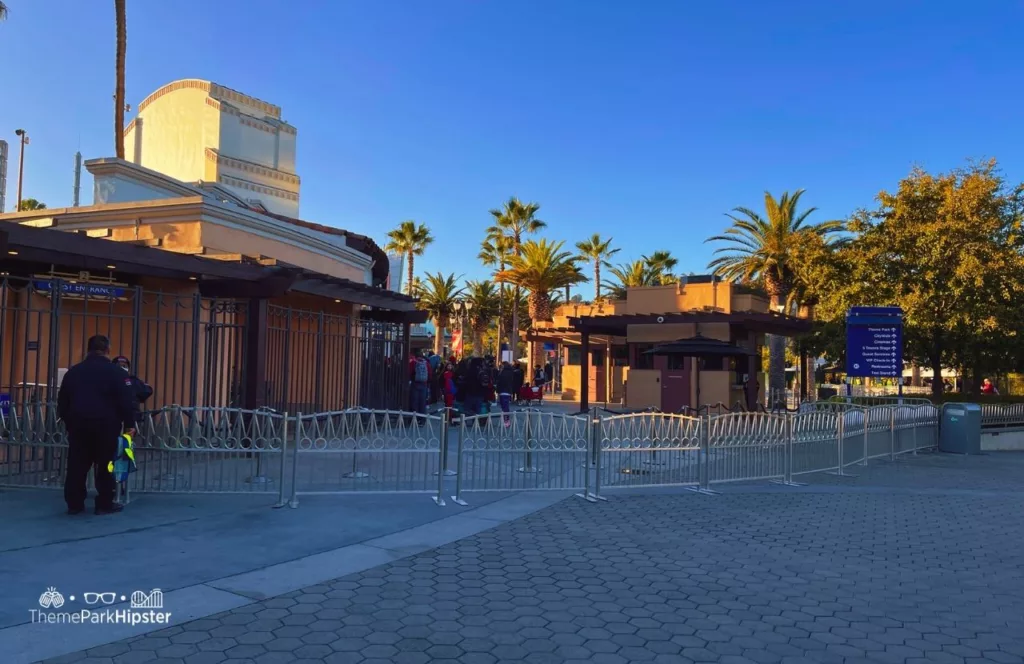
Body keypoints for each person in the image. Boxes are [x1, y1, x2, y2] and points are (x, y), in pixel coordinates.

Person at [58, 335, 137, 516]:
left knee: (77, 465)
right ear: (108, 350)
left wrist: (69, 421)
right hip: (106, 426)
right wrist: (129, 425)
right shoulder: (117, 373)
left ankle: (74, 504)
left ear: (88, 349)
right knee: (106, 465)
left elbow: (62, 401)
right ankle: (104, 503)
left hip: (79, 425)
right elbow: (126, 402)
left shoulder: (74, 372)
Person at [112, 355, 153, 424]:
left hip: (131, 419)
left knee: (127, 434)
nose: (122, 368)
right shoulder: (108, 380)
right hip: (113, 418)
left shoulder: (133, 381)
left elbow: (147, 390)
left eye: (124, 366)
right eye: (119, 365)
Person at [409, 350, 430, 414]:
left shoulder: (413, 362)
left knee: (414, 401)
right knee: (422, 401)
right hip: (424, 383)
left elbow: (409, 371)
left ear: (415, 356)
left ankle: (415, 417)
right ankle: (422, 417)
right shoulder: (426, 363)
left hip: (415, 383)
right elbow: (430, 373)